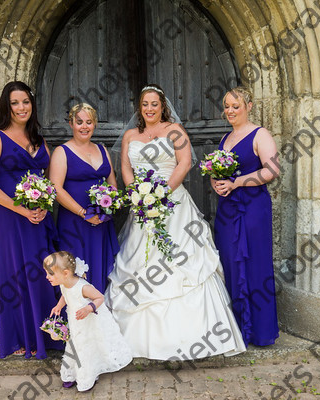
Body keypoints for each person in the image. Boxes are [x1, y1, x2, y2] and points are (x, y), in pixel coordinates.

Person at [105, 84, 246, 360]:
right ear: (140, 106)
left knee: (183, 265)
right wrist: (138, 196)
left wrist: (161, 194)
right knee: (139, 262)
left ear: (162, 106)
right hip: (142, 206)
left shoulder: (175, 131)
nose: (149, 109)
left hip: (173, 204)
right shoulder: (131, 135)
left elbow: (183, 163)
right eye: (145, 104)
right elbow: (125, 167)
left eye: (154, 104)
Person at [0, 81, 63, 359]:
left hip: (39, 217)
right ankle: (23, 338)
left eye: (25, 101)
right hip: (11, 217)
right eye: (15, 103)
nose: (21, 107)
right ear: (7, 106)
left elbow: (49, 180)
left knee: (43, 272)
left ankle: (48, 336)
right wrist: (21, 209)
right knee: (17, 274)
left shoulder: (39, 140)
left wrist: (43, 205)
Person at [212, 86, 280, 347]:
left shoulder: (260, 134)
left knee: (254, 263)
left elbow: (272, 170)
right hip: (228, 210)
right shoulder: (224, 139)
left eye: (235, 106)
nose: (230, 111)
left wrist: (238, 182)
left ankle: (259, 331)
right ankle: (238, 328)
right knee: (230, 263)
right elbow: (218, 175)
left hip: (252, 210)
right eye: (227, 106)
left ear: (249, 106)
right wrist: (218, 184)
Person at [49, 103, 119, 292]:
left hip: (100, 222)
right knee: (75, 271)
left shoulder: (103, 150)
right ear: (71, 123)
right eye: (79, 122)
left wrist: (107, 208)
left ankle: (98, 314)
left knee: (100, 266)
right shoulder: (62, 152)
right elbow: (55, 188)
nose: (84, 126)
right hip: (74, 223)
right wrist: (83, 213)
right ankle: (75, 318)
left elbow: (112, 184)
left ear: (95, 124)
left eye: (89, 122)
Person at [44, 251, 132, 391]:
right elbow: (65, 295)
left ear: (66, 273)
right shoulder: (64, 283)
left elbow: (100, 298)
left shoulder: (83, 287)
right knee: (73, 346)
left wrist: (88, 308)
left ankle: (87, 378)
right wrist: (59, 306)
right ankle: (70, 374)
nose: (47, 277)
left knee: (85, 348)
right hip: (76, 322)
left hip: (88, 323)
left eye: (50, 274)